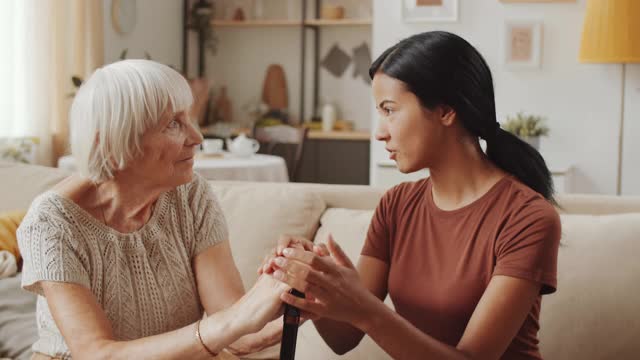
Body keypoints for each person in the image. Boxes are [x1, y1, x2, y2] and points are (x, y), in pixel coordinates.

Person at [261, 31, 561, 359]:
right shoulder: (397, 205)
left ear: (446, 111)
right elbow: (343, 338)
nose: (379, 132)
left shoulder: (528, 217)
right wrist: (313, 281)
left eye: (390, 110)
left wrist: (364, 308)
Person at [18, 59, 287, 359]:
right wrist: (227, 326)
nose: (197, 138)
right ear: (113, 142)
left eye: (189, 119)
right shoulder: (52, 222)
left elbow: (237, 332)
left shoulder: (191, 195)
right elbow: (97, 354)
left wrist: (286, 289)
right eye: (173, 124)